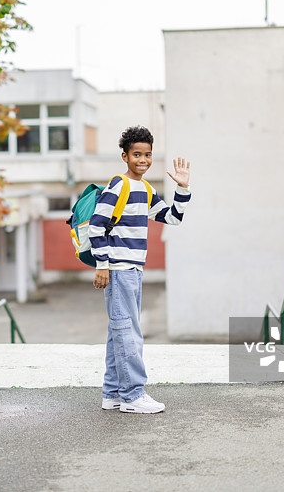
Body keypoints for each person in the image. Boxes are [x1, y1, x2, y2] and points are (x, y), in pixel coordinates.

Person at [89, 126, 191, 414]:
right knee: (128, 332)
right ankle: (133, 396)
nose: (143, 159)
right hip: (118, 269)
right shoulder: (118, 186)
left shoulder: (145, 189)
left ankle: (113, 395)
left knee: (119, 332)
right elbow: (97, 225)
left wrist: (182, 188)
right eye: (137, 154)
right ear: (125, 156)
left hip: (133, 270)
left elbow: (172, 218)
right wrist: (102, 266)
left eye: (147, 154)